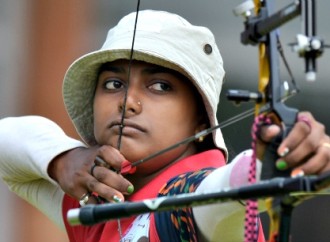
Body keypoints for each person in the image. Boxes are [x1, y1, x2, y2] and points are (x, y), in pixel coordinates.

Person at [0, 10, 330, 242]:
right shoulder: (99, 196)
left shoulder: (191, 199)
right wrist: (64, 160)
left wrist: (272, 160)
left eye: (160, 86)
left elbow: (219, 193)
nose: (127, 101)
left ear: (201, 116)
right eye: (113, 83)